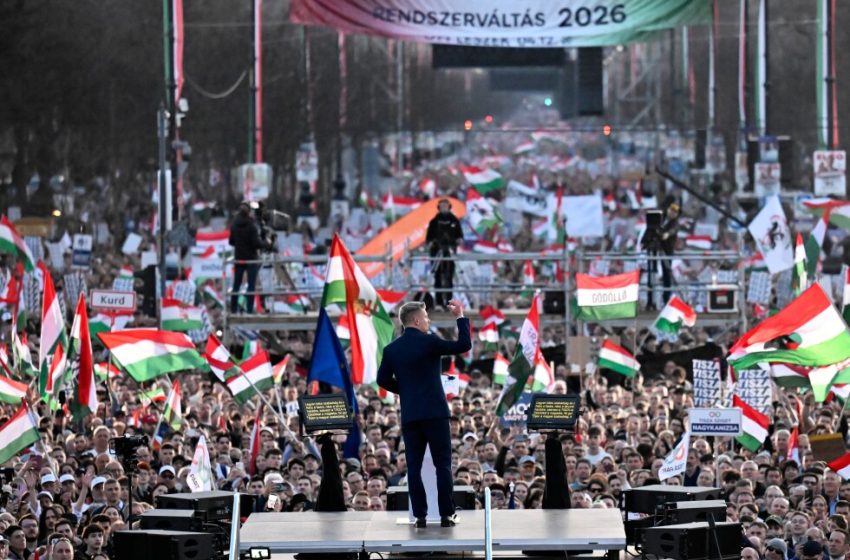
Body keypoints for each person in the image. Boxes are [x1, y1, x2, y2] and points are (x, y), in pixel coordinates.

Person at [377, 300, 471, 527]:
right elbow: (464, 345)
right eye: (426, 318)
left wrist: (406, 391)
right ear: (417, 321)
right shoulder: (430, 342)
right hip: (436, 415)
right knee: (443, 465)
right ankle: (446, 515)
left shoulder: (391, 350)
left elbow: (382, 380)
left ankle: (420, 516)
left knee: (414, 467)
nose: (428, 322)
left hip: (411, 416)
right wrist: (460, 316)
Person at [229, 201, 272, 314]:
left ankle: (233, 309)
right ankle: (249, 309)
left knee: (236, 285)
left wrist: (240, 244)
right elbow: (256, 243)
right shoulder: (251, 226)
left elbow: (231, 241)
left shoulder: (234, 225)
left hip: (239, 258)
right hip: (251, 259)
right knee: (251, 285)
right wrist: (266, 243)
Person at [425, 199, 463, 309]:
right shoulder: (434, 222)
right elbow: (428, 239)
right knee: (437, 277)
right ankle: (439, 302)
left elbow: (460, 236)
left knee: (449, 277)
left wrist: (457, 241)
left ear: (449, 207)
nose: (444, 208)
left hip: (450, 253)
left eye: (445, 206)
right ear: (439, 207)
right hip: (437, 252)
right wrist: (432, 243)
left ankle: (449, 302)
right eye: (441, 206)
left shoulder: (454, 221)